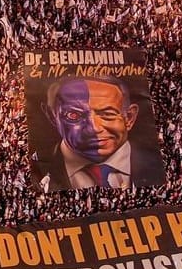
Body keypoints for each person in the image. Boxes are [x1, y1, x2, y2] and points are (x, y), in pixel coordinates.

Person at [37, 74, 165, 191]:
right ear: (53, 116)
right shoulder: (35, 170)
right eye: (74, 115)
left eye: (107, 114)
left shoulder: (160, 165)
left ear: (129, 117)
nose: (94, 128)